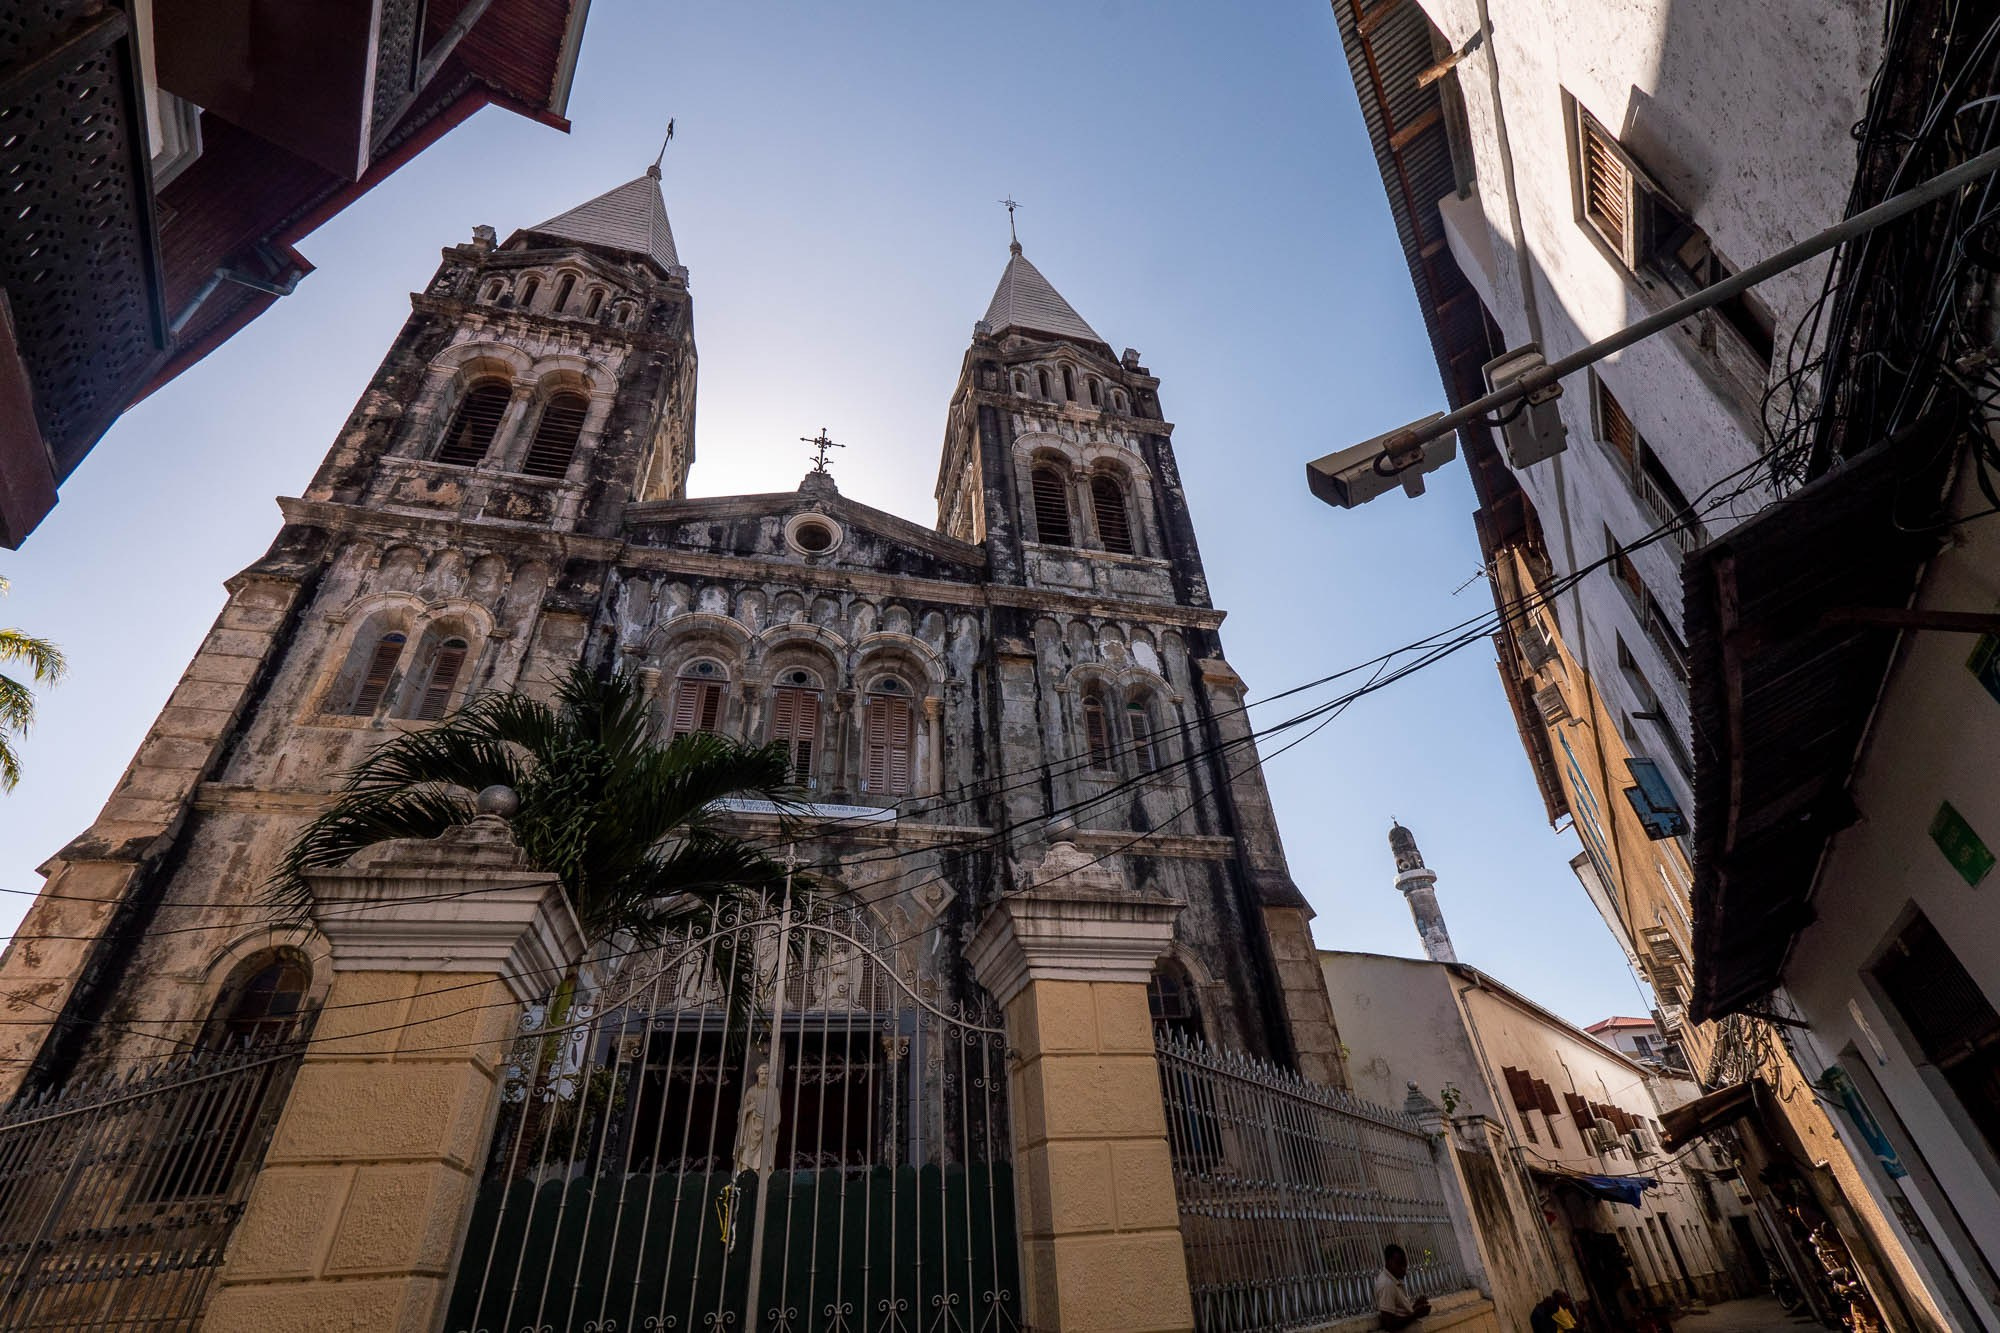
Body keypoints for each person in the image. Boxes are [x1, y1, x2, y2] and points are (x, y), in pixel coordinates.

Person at [1374, 1244, 1432, 1330]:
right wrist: (1415, 1315)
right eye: (1399, 1265)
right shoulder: (1386, 1284)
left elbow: (1400, 1312)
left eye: (1405, 1265)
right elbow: (1389, 1324)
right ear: (1389, 1262)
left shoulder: (1394, 1281)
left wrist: (1416, 1306)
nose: (1404, 1269)